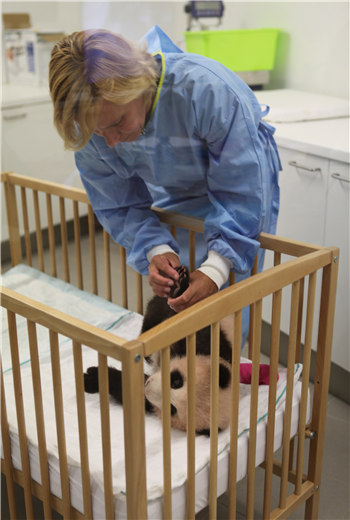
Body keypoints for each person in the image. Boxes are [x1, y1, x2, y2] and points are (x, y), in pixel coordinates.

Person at [49, 25, 281, 327]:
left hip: (240, 196)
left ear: (140, 86)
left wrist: (217, 268)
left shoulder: (207, 91)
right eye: (98, 131)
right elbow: (116, 201)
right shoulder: (93, 122)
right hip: (176, 194)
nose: (110, 142)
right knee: (177, 303)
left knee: (229, 314)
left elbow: (244, 188)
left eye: (119, 122)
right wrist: (155, 248)